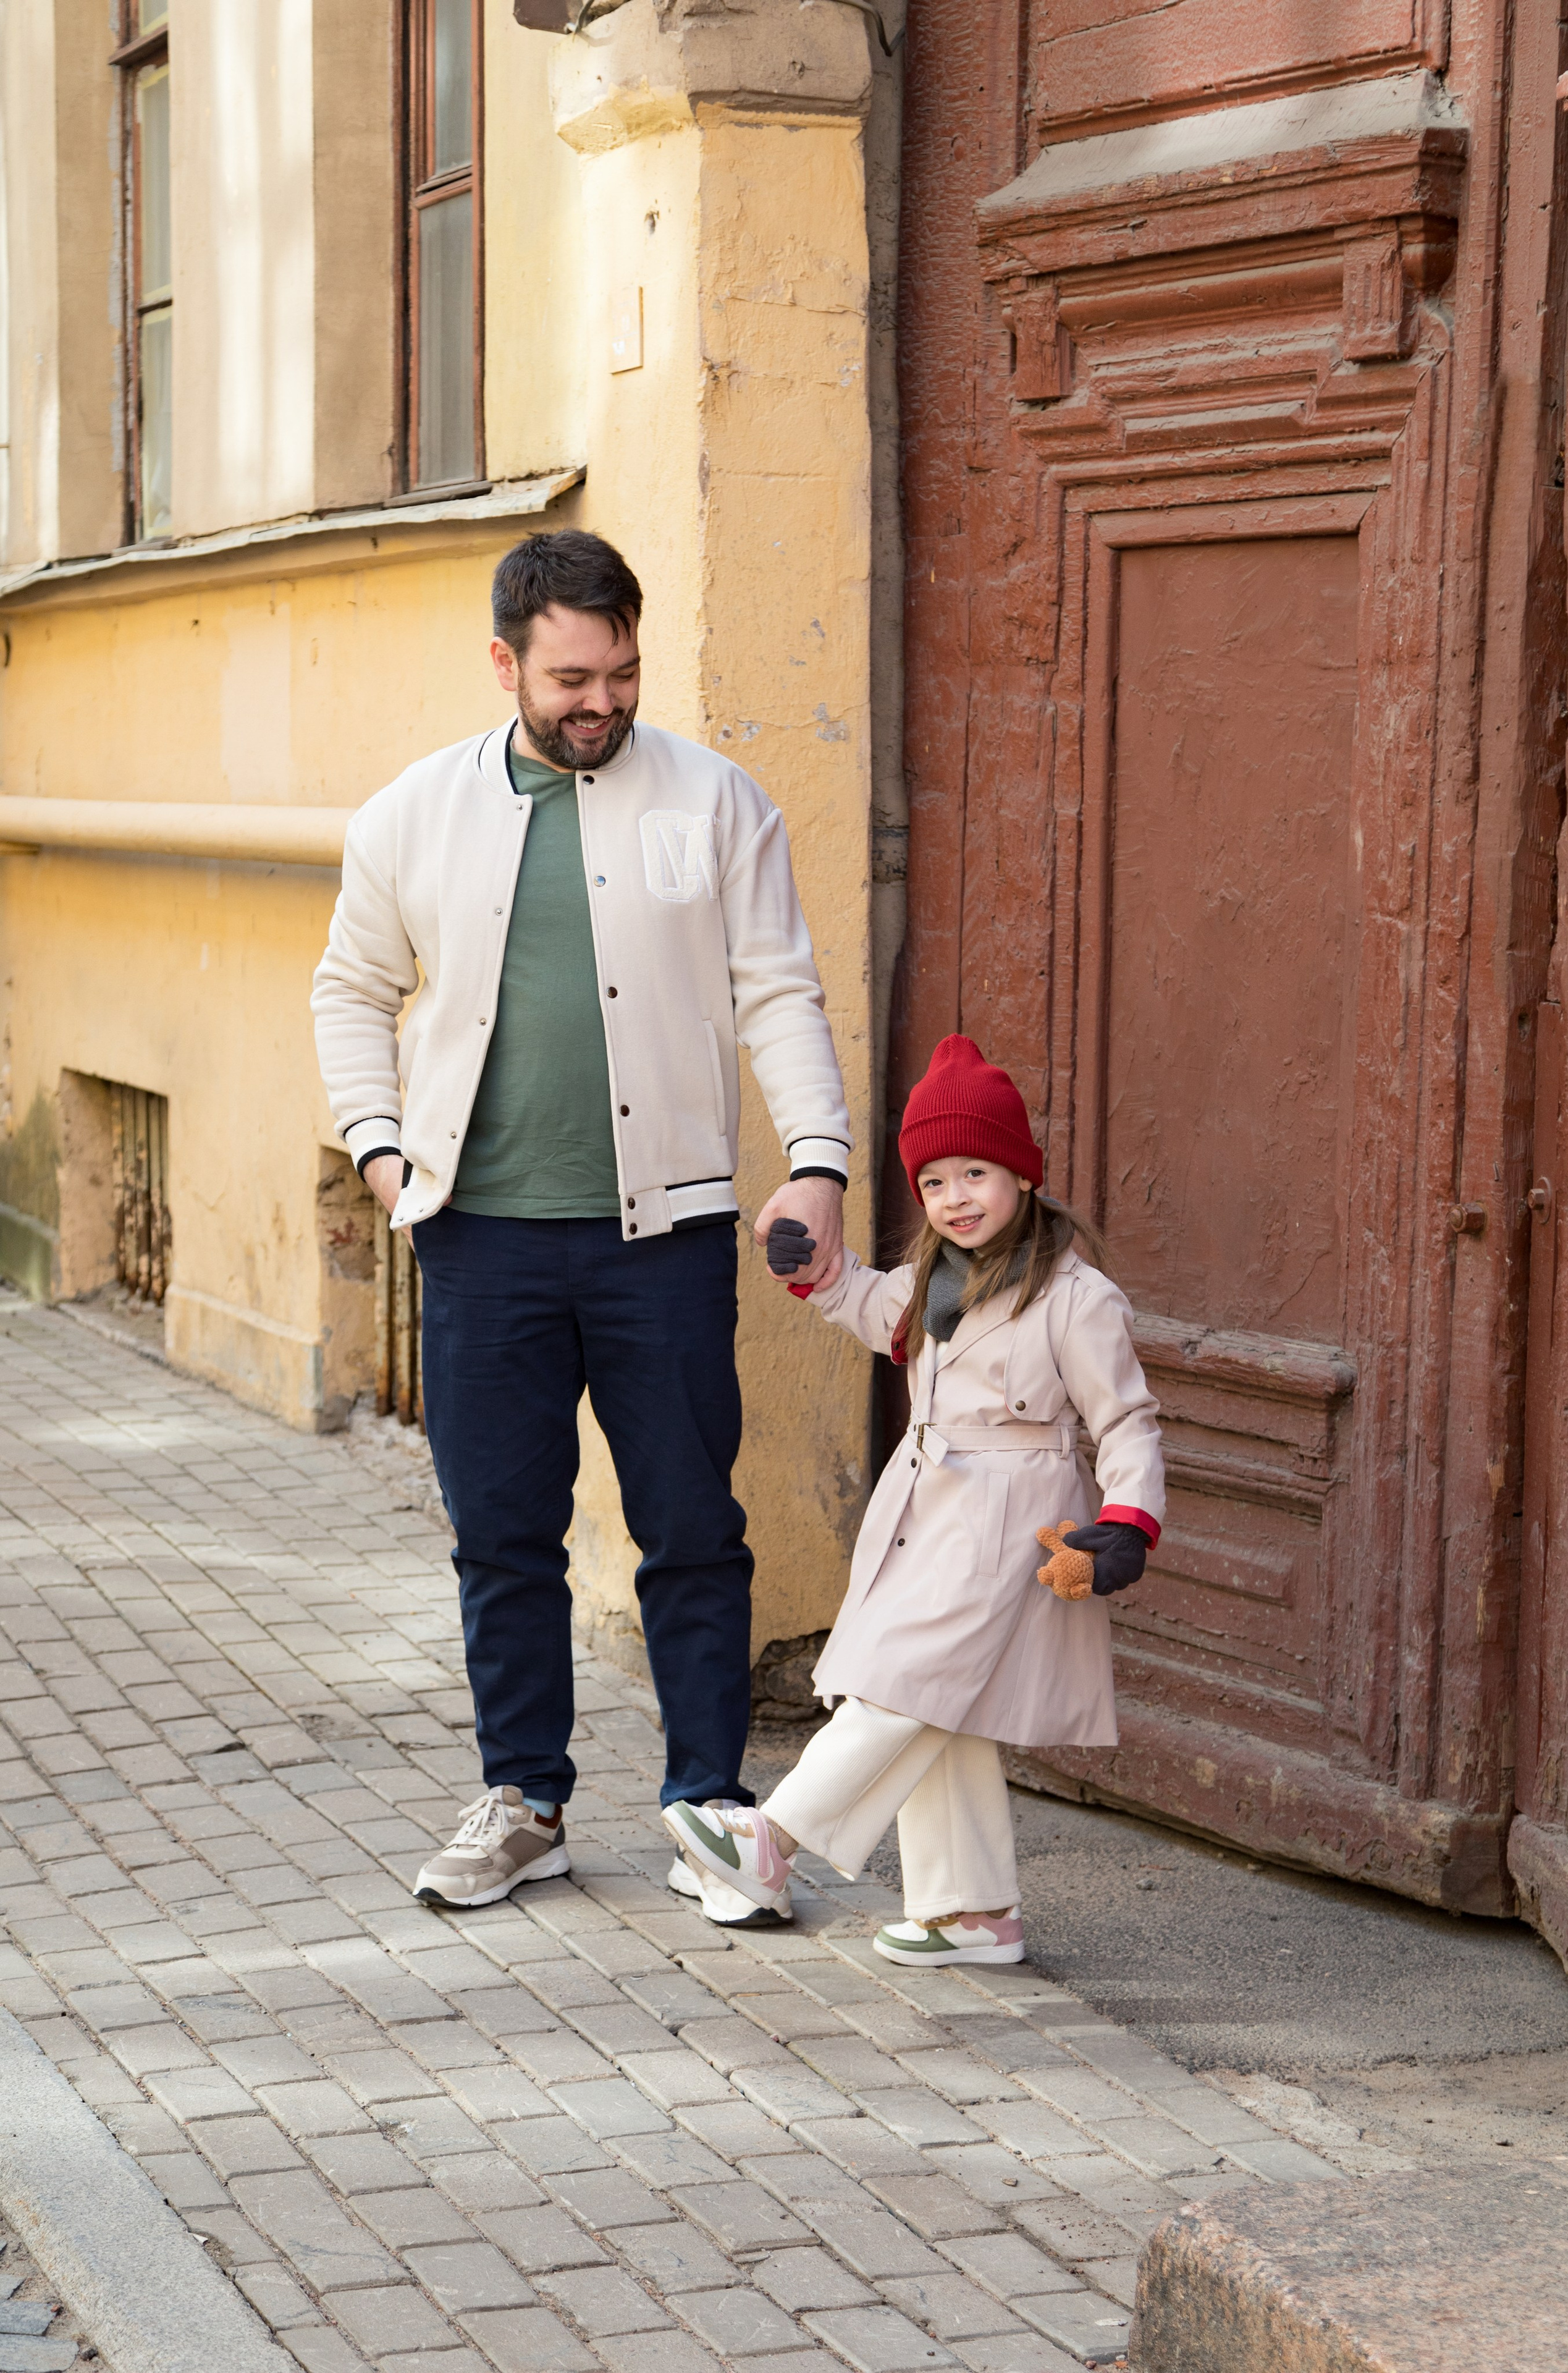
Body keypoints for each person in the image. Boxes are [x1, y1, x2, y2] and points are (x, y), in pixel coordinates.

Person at [311, 528, 851, 1920]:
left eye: (616, 671)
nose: (597, 701)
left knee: (688, 1526)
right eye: (566, 678)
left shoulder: (715, 801)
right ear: (505, 664)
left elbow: (776, 991)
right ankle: (524, 1801)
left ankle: (707, 1807)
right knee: (501, 1535)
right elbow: (350, 992)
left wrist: (815, 1162)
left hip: (661, 1240)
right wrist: (381, 1156)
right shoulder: (407, 818)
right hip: (477, 1238)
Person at [665, 1034, 1164, 1964]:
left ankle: (769, 1839)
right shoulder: (933, 1284)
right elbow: (860, 1299)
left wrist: (1127, 1525)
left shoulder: (1075, 1297)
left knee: (906, 1683)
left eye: (977, 1172)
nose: (956, 1198)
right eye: (935, 1182)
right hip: (928, 1507)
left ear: (1019, 1173)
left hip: (1018, 1517)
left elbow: (1128, 1420)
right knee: (945, 1703)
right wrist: (811, 1266)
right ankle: (973, 1912)